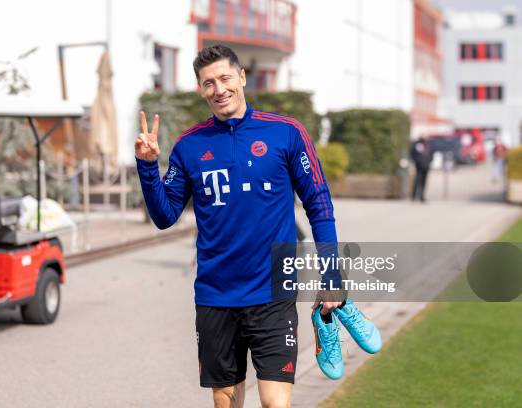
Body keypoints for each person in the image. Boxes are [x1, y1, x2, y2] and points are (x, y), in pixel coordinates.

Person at [135, 45, 379, 407]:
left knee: (274, 403)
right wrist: (147, 167)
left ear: (242, 78)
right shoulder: (189, 145)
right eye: (208, 83)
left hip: (273, 293)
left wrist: (331, 277)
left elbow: (319, 206)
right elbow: (164, 215)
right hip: (216, 295)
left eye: (224, 78)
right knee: (227, 402)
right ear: (201, 89)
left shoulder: (286, 133)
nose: (218, 89)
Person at [410, 134, 433, 202]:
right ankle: (414, 196)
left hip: (426, 166)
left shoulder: (428, 144)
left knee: (424, 182)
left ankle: (422, 196)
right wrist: (417, 161)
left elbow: (431, 154)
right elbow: (412, 154)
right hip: (419, 166)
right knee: (417, 181)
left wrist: (429, 161)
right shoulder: (417, 144)